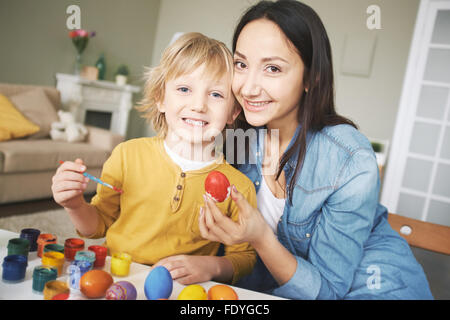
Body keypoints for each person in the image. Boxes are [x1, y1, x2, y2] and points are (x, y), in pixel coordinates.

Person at [199, 0, 433, 299]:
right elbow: (248, 260)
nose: (248, 87)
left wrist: (260, 237)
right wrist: (208, 265)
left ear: (311, 78)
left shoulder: (349, 158)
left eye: (272, 68)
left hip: (376, 288)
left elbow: (328, 291)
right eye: (241, 64)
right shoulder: (241, 139)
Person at [51, 32, 257, 285]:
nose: (198, 105)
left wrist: (213, 265)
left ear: (233, 112)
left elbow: (245, 257)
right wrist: (74, 205)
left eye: (216, 95)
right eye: (184, 89)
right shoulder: (127, 155)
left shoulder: (240, 187)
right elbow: (97, 225)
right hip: (115, 277)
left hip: (180, 289)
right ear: (160, 98)